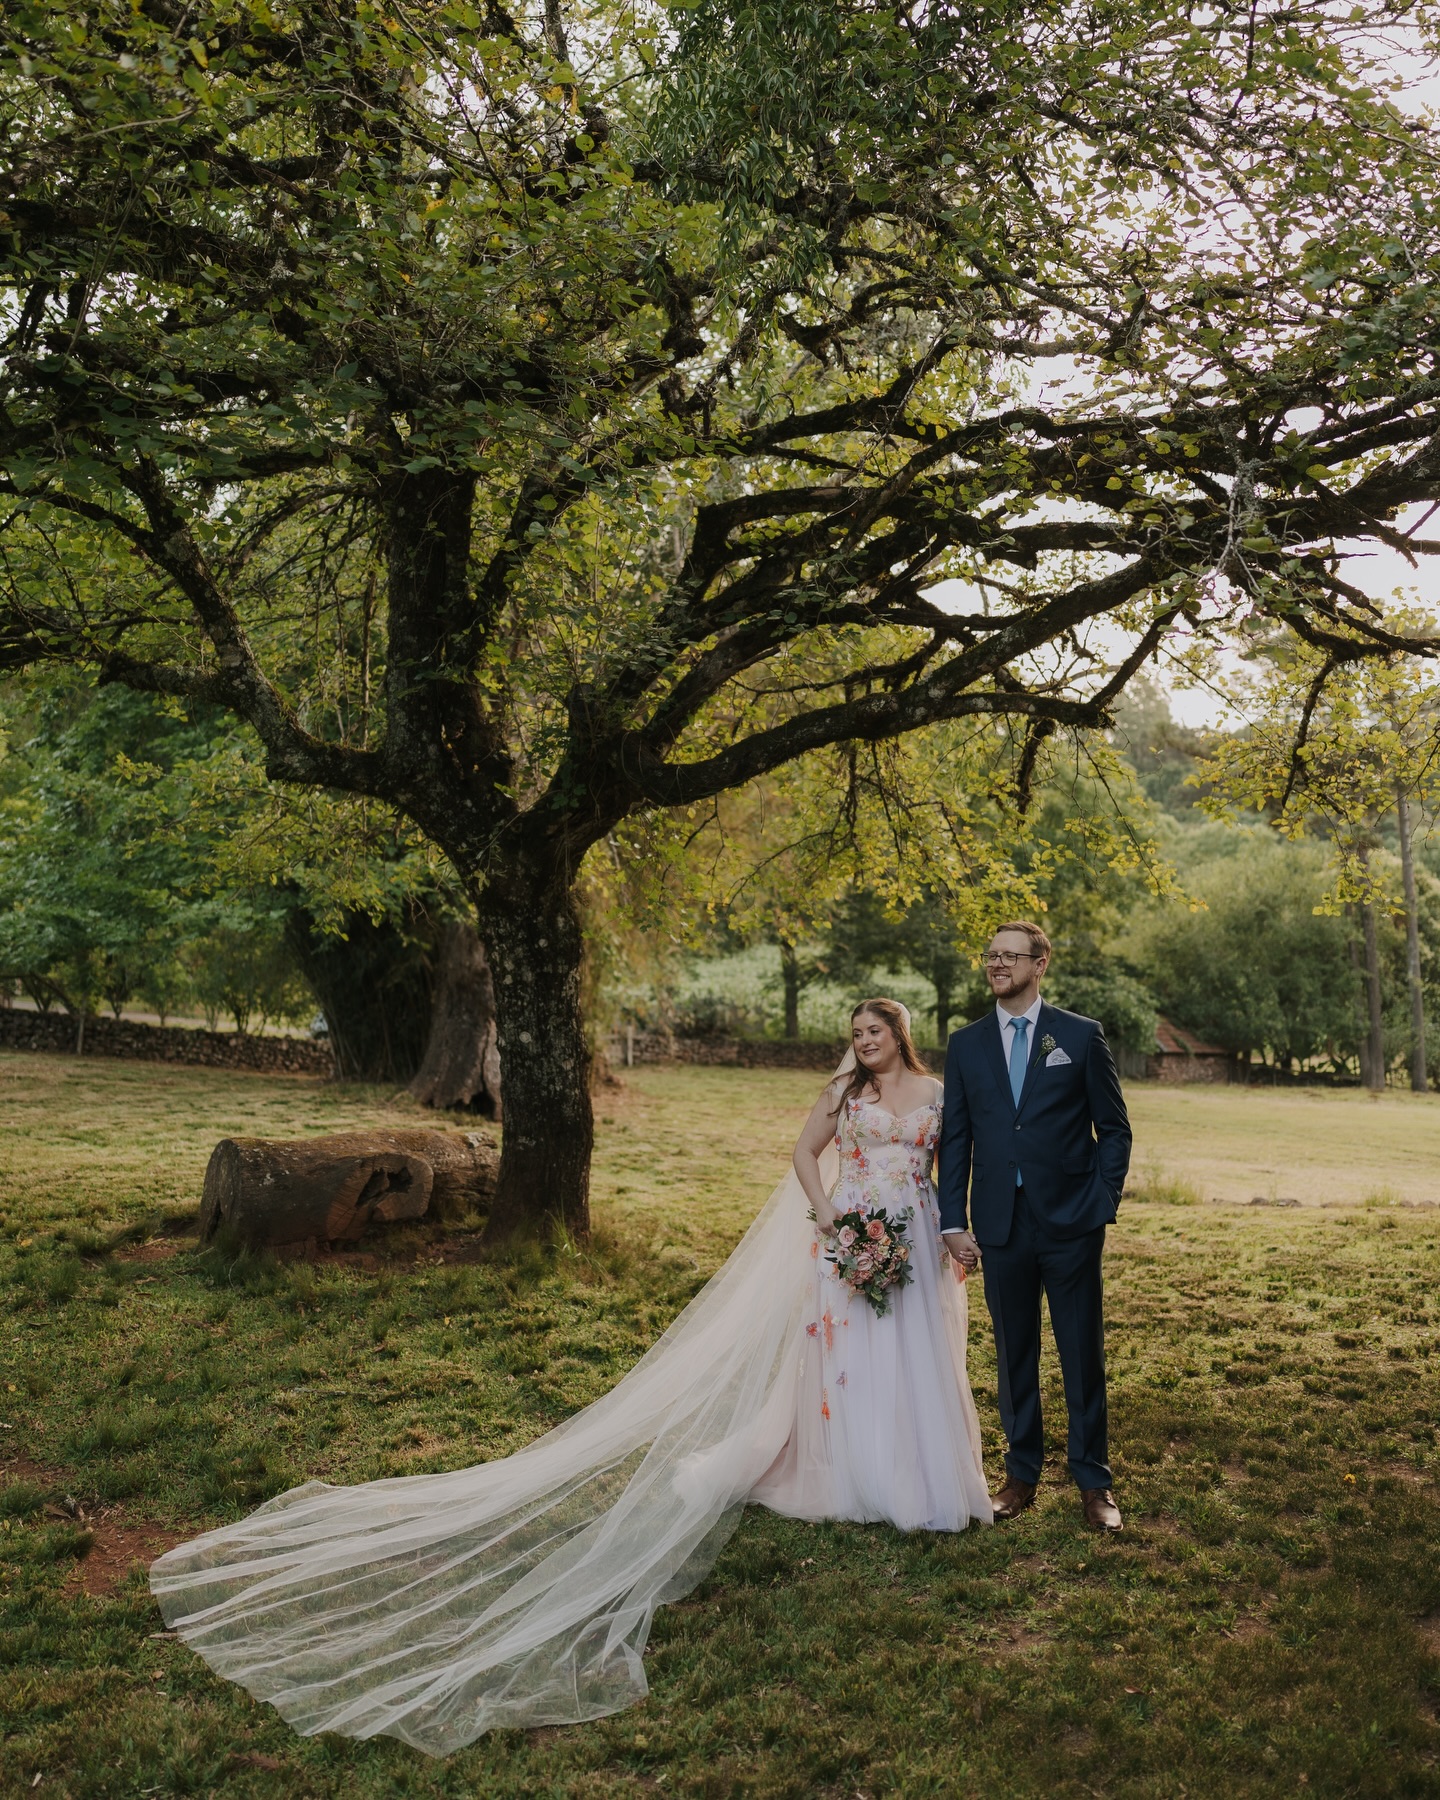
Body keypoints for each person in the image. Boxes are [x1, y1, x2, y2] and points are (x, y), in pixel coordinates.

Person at [152, 999, 990, 1756]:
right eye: (855, 1033)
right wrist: (832, 1215)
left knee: (913, 1351)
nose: (863, 1042)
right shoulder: (844, 1094)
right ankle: (853, 1469)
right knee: (848, 1360)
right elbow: (805, 1155)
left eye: (874, 1031)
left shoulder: (937, 1094)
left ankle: (913, 1465)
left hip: (917, 1233)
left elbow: (954, 1166)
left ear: (900, 1034)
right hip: (851, 1233)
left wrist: (952, 1228)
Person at [939, 922, 1132, 1533]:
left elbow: (1114, 1128)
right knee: (1013, 1352)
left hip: (1072, 1220)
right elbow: (956, 1138)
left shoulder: (1080, 1035)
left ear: (1040, 963)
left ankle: (1094, 1481)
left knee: (1081, 1351)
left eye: (1009, 955)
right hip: (1000, 1222)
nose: (997, 964)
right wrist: (952, 1220)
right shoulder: (966, 1044)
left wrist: (1101, 1200)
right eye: (991, 955)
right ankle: (1020, 1475)